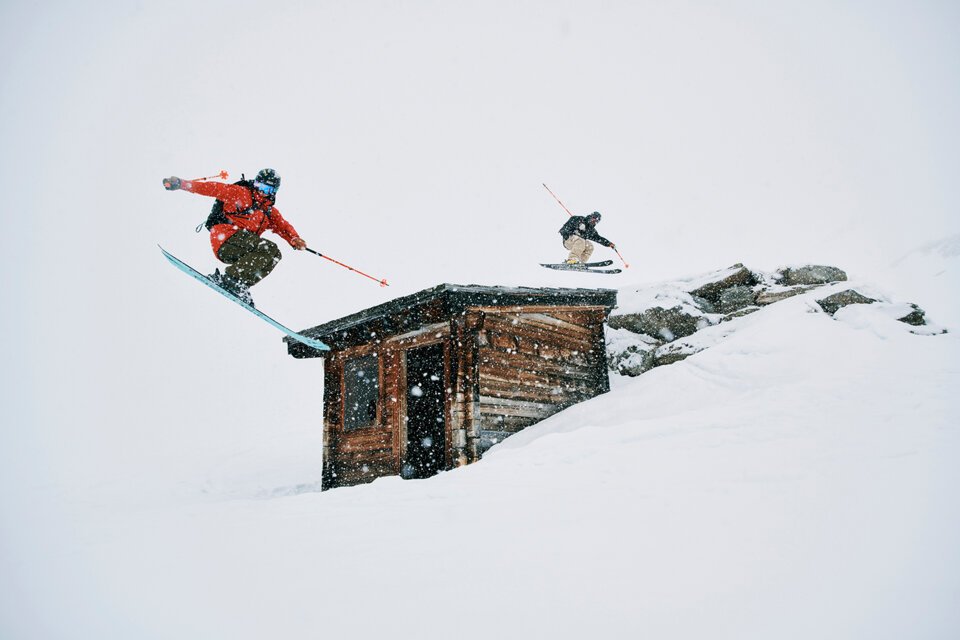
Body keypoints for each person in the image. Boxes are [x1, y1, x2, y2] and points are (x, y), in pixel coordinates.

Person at [162, 168, 307, 306]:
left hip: (242, 249)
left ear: (274, 191)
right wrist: (182, 184)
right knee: (268, 248)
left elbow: (283, 226)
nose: (262, 192)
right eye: (260, 186)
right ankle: (231, 279)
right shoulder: (240, 193)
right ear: (255, 183)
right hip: (226, 238)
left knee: (275, 255)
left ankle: (239, 285)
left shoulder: (269, 212)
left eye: (268, 190)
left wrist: (294, 239)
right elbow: (212, 188)